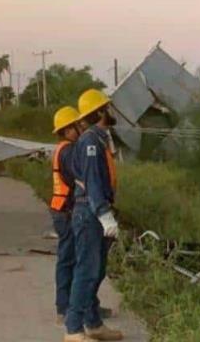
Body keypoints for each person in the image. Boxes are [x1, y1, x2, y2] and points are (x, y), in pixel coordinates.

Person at [63, 89, 122, 342]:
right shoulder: (89, 142)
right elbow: (93, 181)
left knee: (96, 271)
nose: (111, 111)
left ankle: (93, 322)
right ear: (99, 112)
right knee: (87, 271)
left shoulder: (98, 140)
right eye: (107, 107)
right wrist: (104, 215)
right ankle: (73, 329)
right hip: (89, 212)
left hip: (93, 210)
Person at [50, 106, 81, 325]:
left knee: (69, 258)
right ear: (68, 130)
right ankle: (65, 307)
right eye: (76, 126)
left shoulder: (61, 148)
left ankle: (71, 304)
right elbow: (77, 179)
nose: (80, 129)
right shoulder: (68, 151)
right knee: (69, 259)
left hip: (61, 208)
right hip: (66, 211)